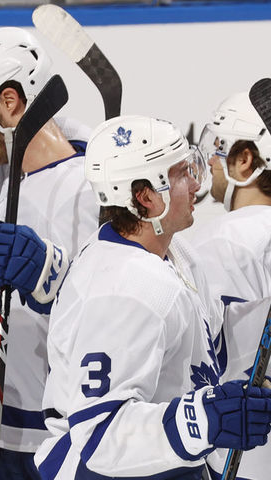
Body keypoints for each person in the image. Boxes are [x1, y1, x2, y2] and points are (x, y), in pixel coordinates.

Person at [35, 114, 271, 479]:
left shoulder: (171, 256)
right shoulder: (123, 289)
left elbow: (212, 342)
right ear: (145, 197)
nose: (195, 183)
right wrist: (204, 420)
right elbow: (99, 434)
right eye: (180, 174)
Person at [0, 27, 99, 479]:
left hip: (52, 435)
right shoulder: (17, 179)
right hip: (9, 425)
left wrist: (49, 274)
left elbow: (111, 308)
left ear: (9, 102)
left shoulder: (85, 188)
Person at [194, 90, 271, 479]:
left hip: (241, 460)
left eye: (220, 148)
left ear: (246, 161)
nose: (211, 160)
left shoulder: (222, 240)